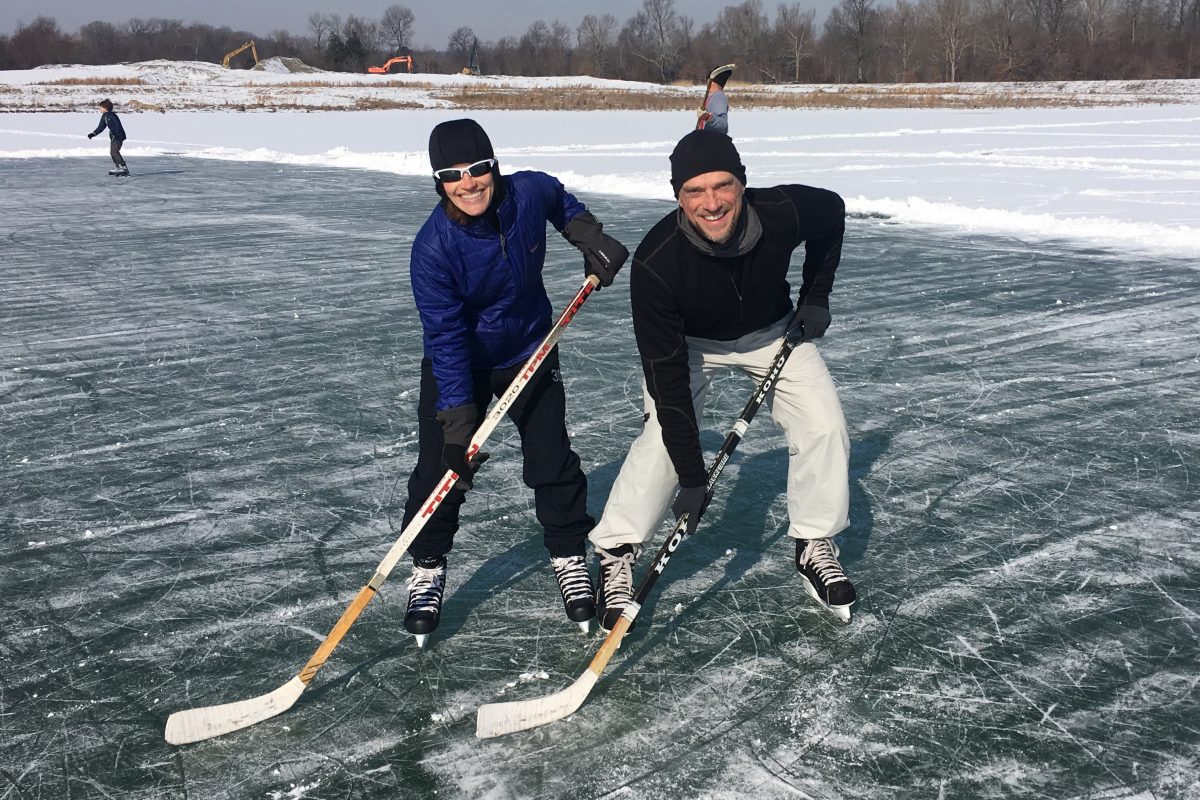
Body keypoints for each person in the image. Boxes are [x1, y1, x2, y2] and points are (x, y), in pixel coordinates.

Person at [589, 130, 855, 629]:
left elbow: (833, 212)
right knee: (665, 441)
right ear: (678, 197)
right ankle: (615, 550)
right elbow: (668, 388)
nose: (711, 203)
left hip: (773, 332)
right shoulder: (656, 263)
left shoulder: (782, 212)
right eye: (695, 191)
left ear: (742, 184)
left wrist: (816, 295)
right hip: (691, 346)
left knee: (824, 426)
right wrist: (693, 479)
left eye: (722, 186)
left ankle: (813, 541)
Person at [402, 118, 629, 645]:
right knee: (441, 471)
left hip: (532, 348)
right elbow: (446, 337)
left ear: (494, 166)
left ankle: (570, 554)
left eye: (478, 168)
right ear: (439, 182)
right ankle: (429, 566)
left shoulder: (527, 193)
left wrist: (587, 234)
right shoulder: (433, 250)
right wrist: (458, 423)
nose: (469, 182)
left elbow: (557, 199)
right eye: (452, 174)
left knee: (552, 461)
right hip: (461, 365)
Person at [87, 99, 128, 176]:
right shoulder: (104, 116)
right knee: (112, 152)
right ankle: (119, 167)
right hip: (113, 136)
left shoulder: (112, 115)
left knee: (114, 152)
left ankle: (123, 167)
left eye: (101, 107)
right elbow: (101, 127)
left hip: (118, 136)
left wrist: (116, 134)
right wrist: (93, 134)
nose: (100, 109)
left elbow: (117, 125)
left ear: (106, 108)